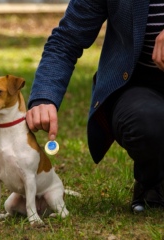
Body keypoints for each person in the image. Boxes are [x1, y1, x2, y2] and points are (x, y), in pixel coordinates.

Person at [26, 0, 164, 213]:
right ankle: (154, 183)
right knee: (147, 122)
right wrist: (44, 97)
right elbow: (67, 40)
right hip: (139, 88)